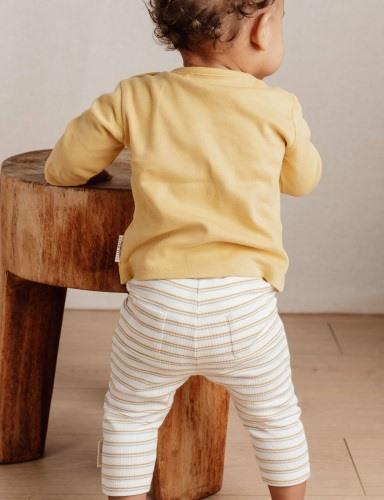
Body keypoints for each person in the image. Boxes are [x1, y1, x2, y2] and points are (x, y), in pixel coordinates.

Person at [44, 0, 322, 498]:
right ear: (262, 30)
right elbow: (302, 181)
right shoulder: (278, 106)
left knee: (130, 415)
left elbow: (63, 167)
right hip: (245, 309)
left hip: (158, 305)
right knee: (275, 415)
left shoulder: (136, 96)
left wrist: (93, 166)